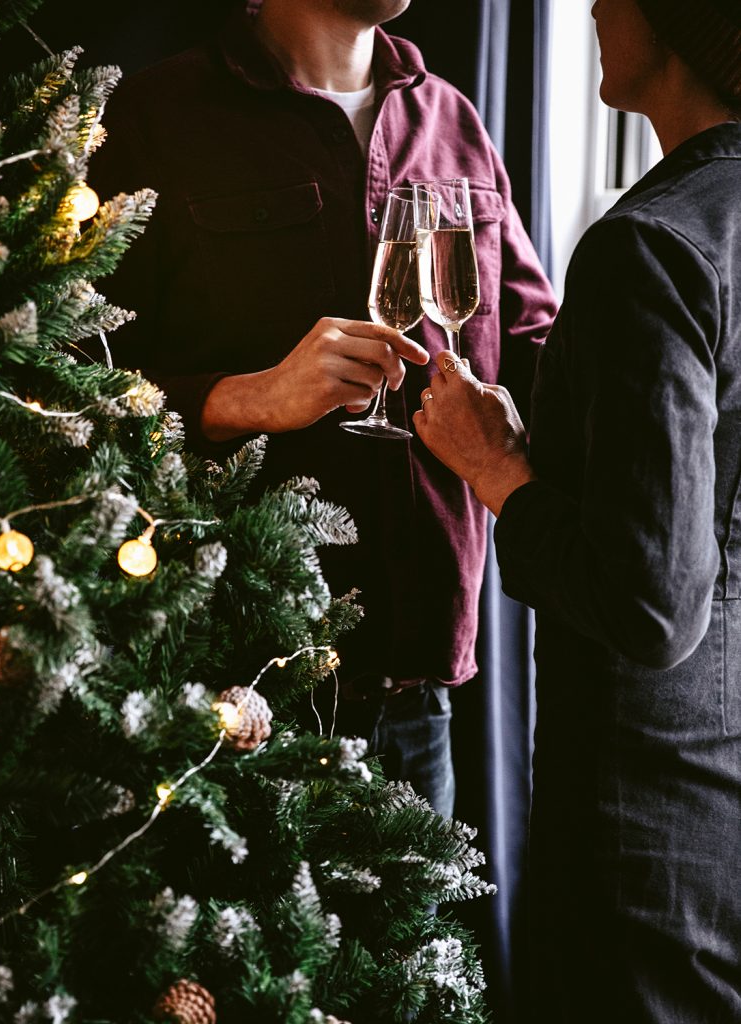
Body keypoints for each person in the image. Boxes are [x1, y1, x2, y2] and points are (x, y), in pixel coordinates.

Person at [90, 0, 556, 819]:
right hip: (231, 686)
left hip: (417, 682)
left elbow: (530, 343)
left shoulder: (451, 117)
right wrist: (244, 398)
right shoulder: (157, 114)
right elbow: (67, 372)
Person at [414, 0, 741, 1018]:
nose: (598, 8)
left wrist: (498, 469)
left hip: (650, 816)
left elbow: (650, 605)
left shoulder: (650, 247)